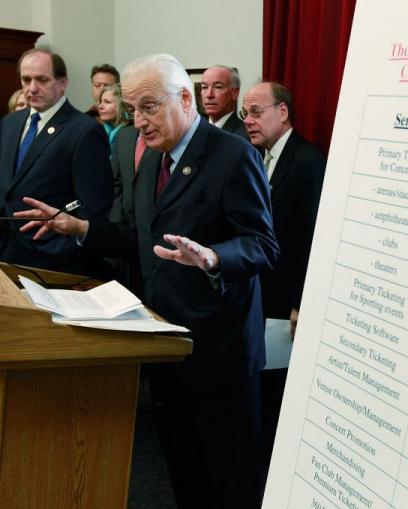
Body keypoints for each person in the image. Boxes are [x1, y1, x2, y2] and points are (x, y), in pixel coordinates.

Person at [16, 53, 278, 509]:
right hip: (163, 342)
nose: (138, 121)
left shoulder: (233, 156)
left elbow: (262, 244)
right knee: (183, 470)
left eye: (149, 107)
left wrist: (214, 256)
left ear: (183, 98)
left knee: (228, 479)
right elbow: (139, 237)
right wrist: (78, 228)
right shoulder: (152, 161)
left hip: (218, 352)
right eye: (133, 110)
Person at [241, 80, 325, 469]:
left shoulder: (308, 162)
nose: (249, 121)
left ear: (283, 112)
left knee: (278, 394)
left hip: (285, 301)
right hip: (257, 296)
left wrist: (300, 300)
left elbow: (312, 237)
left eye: (256, 112)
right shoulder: (256, 158)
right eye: (245, 114)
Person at [0, 49, 113, 276]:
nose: (32, 88)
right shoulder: (9, 123)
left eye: (42, 80)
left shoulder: (84, 130)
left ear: (62, 83)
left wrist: (64, 249)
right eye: (26, 79)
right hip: (6, 255)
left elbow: (94, 208)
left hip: (54, 263)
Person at [200, 65, 247, 138]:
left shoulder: (246, 136)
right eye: (204, 87)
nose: (209, 95)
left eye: (218, 87)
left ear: (235, 93)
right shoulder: (194, 131)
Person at [97, 83, 129, 149]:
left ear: (123, 105)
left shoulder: (132, 134)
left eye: (107, 102)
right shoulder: (99, 132)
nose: (100, 106)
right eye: (101, 102)